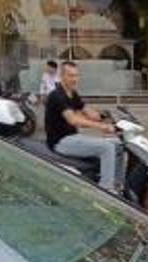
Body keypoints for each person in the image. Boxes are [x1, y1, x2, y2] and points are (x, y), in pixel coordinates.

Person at [44, 61, 124, 193]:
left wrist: (108, 117)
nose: (75, 79)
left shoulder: (72, 93)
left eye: (76, 75)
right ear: (62, 76)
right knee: (107, 147)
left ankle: (118, 185)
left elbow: (88, 112)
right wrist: (102, 127)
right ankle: (107, 191)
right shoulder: (57, 96)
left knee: (119, 144)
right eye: (71, 76)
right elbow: (73, 119)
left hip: (73, 137)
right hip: (61, 142)